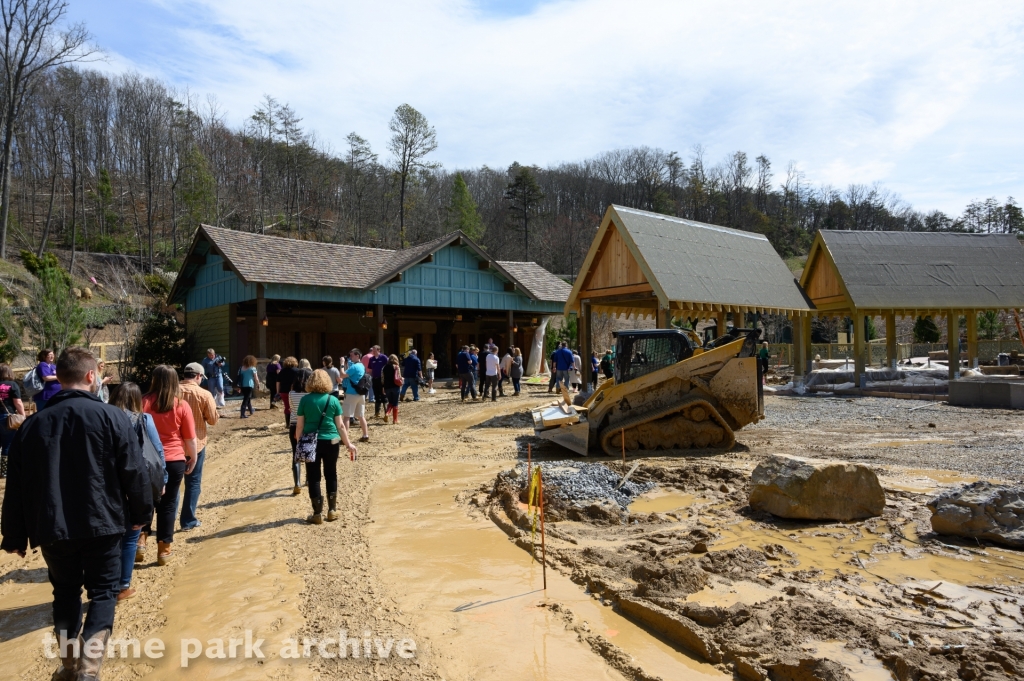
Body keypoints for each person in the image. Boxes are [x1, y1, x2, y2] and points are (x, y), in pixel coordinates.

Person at [1, 347, 151, 681]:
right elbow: (135, 472)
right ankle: (89, 667)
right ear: (90, 376)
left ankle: (70, 664)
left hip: (54, 525)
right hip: (105, 523)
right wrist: (141, 515)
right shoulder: (114, 418)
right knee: (103, 593)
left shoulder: (32, 425)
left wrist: (14, 534)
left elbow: (17, 485)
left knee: (65, 592)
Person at [109, 382, 165, 601]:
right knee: (132, 535)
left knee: (112, 536)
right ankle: (123, 585)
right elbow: (156, 450)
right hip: (135, 482)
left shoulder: (105, 417)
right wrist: (163, 479)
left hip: (110, 484)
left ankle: (107, 583)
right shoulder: (144, 419)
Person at [143, 365, 198, 567]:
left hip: (147, 460)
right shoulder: (181, 405)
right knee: (168, 505)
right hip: (173, 459)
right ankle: (164, 550)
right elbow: (190, 438)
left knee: (145, 501)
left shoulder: (144, 402)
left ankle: (141, 539)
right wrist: (193, 457)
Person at [294, 369, 356, 524]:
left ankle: (317, 514)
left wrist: (298, 442)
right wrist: (348, 443)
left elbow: (299, 426)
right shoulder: (333, 400)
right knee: (331, 473)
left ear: (310, 382)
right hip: (332, 441)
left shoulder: (305, 400)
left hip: (311, 443)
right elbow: (341, 425)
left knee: (314, 477)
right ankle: (332, 511)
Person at [179, 363, 219, 531]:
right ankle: (188, 521)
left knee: (172, 483)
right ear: (198, 376)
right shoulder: (204, 394)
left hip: (172, 445)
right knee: (193, 482)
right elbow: (212, 420)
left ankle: (167, 519)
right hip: (196, 444)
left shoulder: (170, 391)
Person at [285, 364, 309, 495]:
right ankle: (309, 480)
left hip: (294, 424)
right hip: (308, 424)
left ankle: (297, 483)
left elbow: (291, 409)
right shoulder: (310, 394)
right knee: (310, 453)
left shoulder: (291, 393)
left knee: (296, 454)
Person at [0, 363, 25, 478]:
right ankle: (4, 472)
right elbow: (18, 402)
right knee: (7, 444)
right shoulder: (12, 385)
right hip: (6, 417)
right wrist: (22, 415)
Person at [341, 348, 369, 443]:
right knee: (361, 416)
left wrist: (341, 363)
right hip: (360, 394)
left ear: (357, 355)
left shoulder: (354, 367)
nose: (350, 357)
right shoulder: (362, 366)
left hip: (351, 393)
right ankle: (365, 435)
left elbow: (342, 375)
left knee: (347, 416)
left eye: (352, 355)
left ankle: (345, 438)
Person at [277, 356, 299, 426]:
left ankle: (288, 424)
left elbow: (278, 382)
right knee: (295, 407)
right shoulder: (297, 371)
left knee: (287, 407)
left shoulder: (282, 371)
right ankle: (295, 422)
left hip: (283, 391)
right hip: (294, 391)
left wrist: (278, 392)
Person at [368, 346, 389, 419]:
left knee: (383, 395)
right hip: (375, 379)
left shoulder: (384, 358)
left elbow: (388, 367)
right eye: (372, 351)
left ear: (379, 350)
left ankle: (387, 412)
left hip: (382, 379)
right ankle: (377, 412)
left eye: (374, 351)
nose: (373, 352)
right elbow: (370, 369)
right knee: (377, 395)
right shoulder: (371, 359)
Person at [382, 354, 402, 423]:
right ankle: (395, 420)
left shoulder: (384, 367)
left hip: (387, 387)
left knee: (390, 402)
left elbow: (382, 378)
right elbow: (399, 377)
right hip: (395, 386)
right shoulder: (396, 367)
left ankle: (387, 413)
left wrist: (383, 387)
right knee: (395, 403)